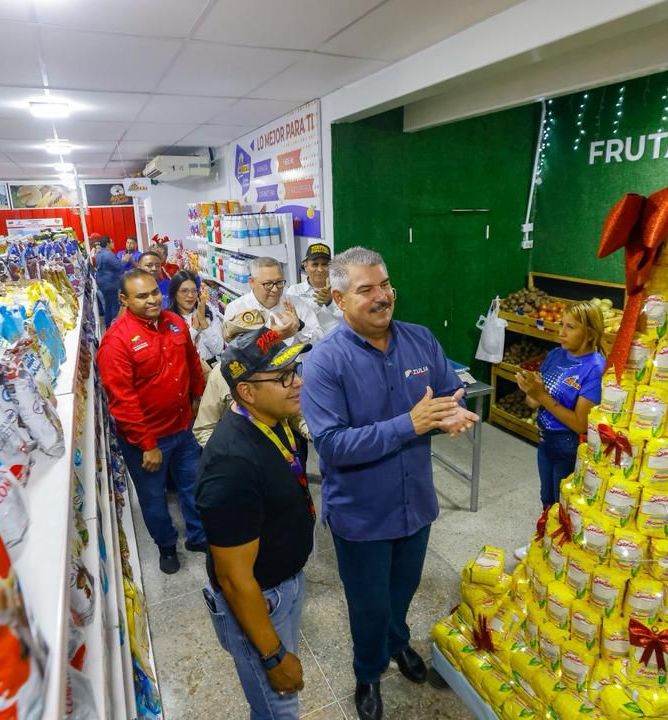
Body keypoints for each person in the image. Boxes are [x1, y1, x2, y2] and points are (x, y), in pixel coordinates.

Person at [299, 246, 478, 720]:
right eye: (366, 290)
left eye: (385, 285)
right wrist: (412, 424)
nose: (382, 297)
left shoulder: (420, 341)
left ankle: (398, 644)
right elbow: (333, 445)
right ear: (339, 299)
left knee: (403, 590)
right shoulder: (322, 364)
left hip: (415, 504)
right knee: (368, 604)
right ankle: (368, 670)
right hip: (362, 515)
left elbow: (444, 395)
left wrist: (451, 413)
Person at [196, 327, 315, 720]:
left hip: (285, 582)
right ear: (246, 392)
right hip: (261, 600)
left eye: (295, 369)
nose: (297, 382)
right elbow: (233, 577)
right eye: (283, 377)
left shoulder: (276, 418)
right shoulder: (230, 465)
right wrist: (273, 655)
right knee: (278, 709)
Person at [97, 269, 208, 574]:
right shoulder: (116, 342)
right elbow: (122, 401)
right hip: (147, 440)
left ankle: (198, 536)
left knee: (192, 484)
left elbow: (191, 362)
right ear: (124, 299)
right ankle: (166, 546)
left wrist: (197, 396)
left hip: (183, 427)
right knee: (154, 498)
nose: (152, 300)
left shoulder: (174, 324)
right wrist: (148, 445)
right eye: (141, 296)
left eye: (154, 293)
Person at [515, 300, 605, 508]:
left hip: (569, 446)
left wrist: (541, 395)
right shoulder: (556, 355)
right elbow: (533, 402)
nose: (561, 332)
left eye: (570, 327)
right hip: (545, 441)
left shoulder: (595, 368)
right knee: (547, 499)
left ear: (590, 333)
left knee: (563, 505)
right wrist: (531, 391)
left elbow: (580, 424)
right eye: (561, 324)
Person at [193, 309, 310, 448]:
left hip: (285, 446)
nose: (251, 344)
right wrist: (228, 456)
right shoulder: (219, 375)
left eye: (257, 335)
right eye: (244, 337)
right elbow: (204, 428)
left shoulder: (281, 365)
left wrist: (313, 432)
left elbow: (296, 414)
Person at [224, 257, 323, 347]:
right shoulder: (236, 309)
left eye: (279, 282)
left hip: (296, 365)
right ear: (251, 282)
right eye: (268, 284)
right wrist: (272, 338)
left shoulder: (296, 304)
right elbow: (235, 353)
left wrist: (299, 328)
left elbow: (320, 339)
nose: (275, 289)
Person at [167, 270, 225, 364]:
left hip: (211, 368)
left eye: (194, 291)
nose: (190, 296)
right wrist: (194, 329)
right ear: (174, 293)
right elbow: (176, 353)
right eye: (184, 291)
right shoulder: (167, 319)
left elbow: (218, 349)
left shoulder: (208, 312)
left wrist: (203, 322)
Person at [286, 242, 342, 335]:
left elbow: (348, 320)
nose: (320, 269)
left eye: (324, 264)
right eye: (315, 264)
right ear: (305, 266)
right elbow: (293, 322)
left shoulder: (340, 289)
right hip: (306, 343)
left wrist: (330, 302)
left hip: (334, 343)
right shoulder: (294, 291)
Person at [92, 235, 123, 326]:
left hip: (102, 282)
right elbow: (118, 266)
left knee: (108, 305)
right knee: (114, 305)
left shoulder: (99, 254)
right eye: (112, 242)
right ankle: (115, 325)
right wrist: (124, 260)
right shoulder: (108, 254)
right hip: (111, 283)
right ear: (108, 243)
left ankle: (108, 325)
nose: (113, 244)